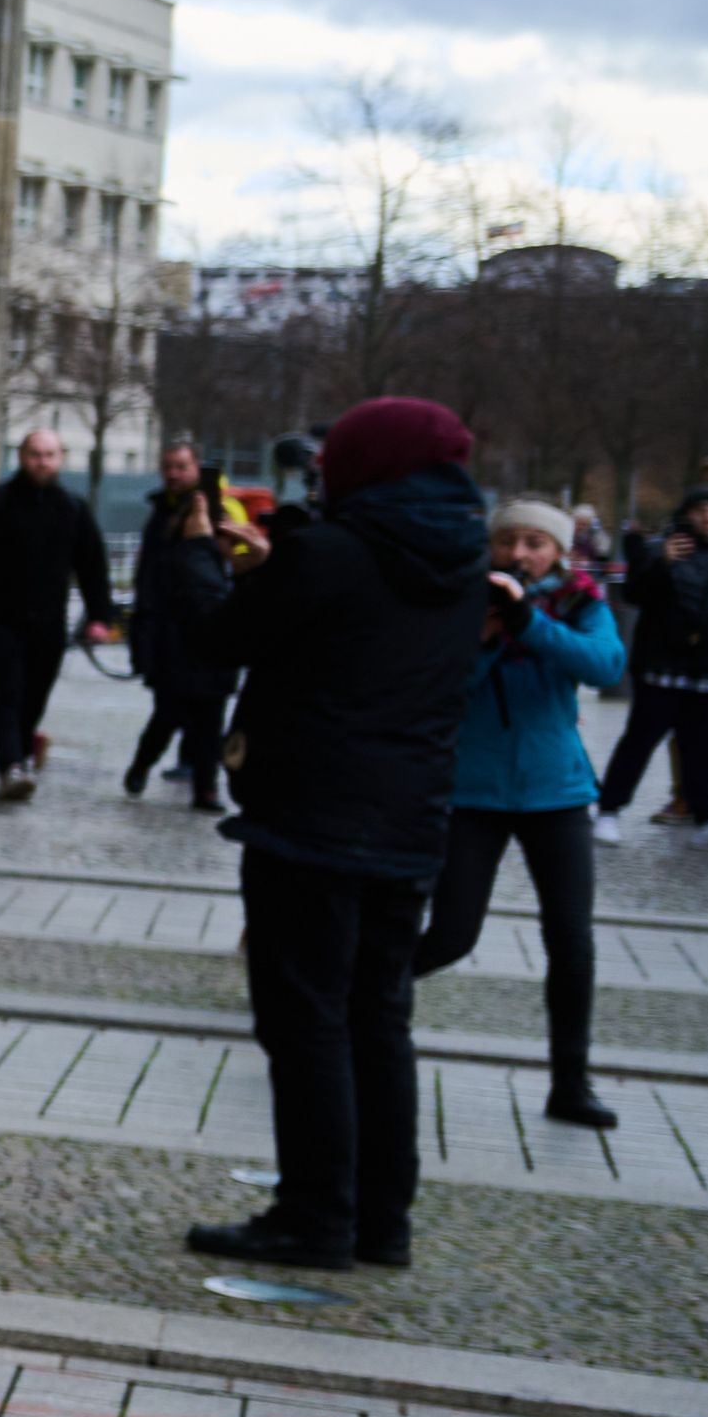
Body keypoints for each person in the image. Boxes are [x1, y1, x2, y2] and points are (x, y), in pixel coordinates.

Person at [193, 395, 492, 1272]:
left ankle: (314, 1215)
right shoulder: (464, 560)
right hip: (410, 819)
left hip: (310, 817)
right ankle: (379, 1220)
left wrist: (243, 568)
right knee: (379, 1018)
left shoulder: (329, 552)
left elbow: (224, 639)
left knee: (305, 1021)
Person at [427, 498, 624, 1140]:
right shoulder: (463, 601)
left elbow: (604, 666)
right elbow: (440, 685)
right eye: (508, 540)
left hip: (556, 793)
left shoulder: (580, 603)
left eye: (535, 542)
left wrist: (529, 625)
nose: (520, 553)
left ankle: (571, 1082)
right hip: (474, 793)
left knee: (571, 941)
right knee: (452, 934)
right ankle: (344, 1008)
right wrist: (488, 635)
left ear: (559, 552)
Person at [0, 432, 120, 805]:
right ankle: (11, 766)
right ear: (21, 456)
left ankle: (20, 757)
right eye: (35, 455)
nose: (42, 462)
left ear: (61, 458)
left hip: (48, 624)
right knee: (7, 693)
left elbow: (92, 568)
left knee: (35, 697)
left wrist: (100, 617)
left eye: (50, 455)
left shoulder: (72, 509)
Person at [599, 483, 708, 847]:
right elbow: (635, 594)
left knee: (704, 750)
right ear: (687, 513)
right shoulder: (659, 548)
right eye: (701, 509)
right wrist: (660, 562)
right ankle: (608, 811)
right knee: (639, 742)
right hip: (661, 666)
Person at [123, 440, 261, 801]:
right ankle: (142, 764)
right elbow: (148, 580)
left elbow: (241, 561)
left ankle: (206, 789)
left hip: (211, 624)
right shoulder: (160, 514)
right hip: (170, 634)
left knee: (209, 716)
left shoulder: (223, 509)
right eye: (168, 466)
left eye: (182, 467)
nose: (174, 474)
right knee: (168, 713)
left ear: (197, 469)